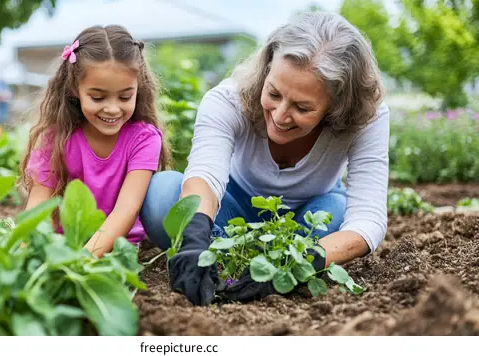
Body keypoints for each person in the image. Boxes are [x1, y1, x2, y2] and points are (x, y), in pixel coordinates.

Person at [140, 11, 390, 305]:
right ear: (267, 70)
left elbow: (367, 220)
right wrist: (195, 237)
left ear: (337, 105)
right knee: (160, 196)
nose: (281, 115)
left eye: (302, 107)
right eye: (274, 93)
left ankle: (251, 260)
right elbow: (205, 176)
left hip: (307, 218)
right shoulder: (228, 99)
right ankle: (235, 257)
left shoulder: (366, 120)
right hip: (229, 208)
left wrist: (296, 262)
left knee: (336, 214)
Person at [19, 25, 171, 258]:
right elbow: (38, 207)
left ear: (138, 89)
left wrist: (84, 258)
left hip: (118, 249)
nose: (112, 108)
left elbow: (126, 210)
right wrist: (25, 253)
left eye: (125, 97)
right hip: (64, 245)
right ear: (74, 89)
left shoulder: (144, 139)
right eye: (97, 97)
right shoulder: (56, 138)